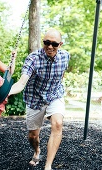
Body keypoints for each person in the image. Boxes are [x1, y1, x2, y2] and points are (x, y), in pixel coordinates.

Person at [9, 29, 70, 170]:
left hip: (55, 95)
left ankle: (48, 166)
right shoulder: (33, 58)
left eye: (54, 44)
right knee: (33, 136)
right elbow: (21, 82)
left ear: (60, 44)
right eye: (46, 42)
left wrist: (57, 85)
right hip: (35, 98)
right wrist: (6, 93)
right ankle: (37, 150)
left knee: (58, 124)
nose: (49, 46)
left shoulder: (66, 56)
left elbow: (62, 74)